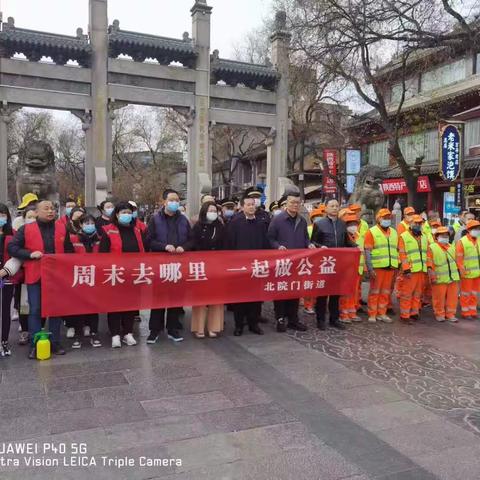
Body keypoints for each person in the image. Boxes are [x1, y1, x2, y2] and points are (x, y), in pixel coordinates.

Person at [8, 200, 71, 358]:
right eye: (46, 209)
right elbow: (12, 248)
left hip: (57, 277)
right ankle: (35, 344)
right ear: (36, 212)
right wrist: (30, 255)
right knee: (35, 310)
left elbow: (69, 250)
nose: (50, 211)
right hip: (35, 275)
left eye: (52, 208)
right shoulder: (25, 229)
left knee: (55, 310)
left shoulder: (62, 228)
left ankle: (55, 343)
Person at [146, 189, 191, 344]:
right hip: (160, 264)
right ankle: (154, 330)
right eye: (171, 200)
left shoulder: (183, 220)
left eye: (177, 200)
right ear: (164, 202)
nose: (175, 203)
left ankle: (172, 328)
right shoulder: (155, 219)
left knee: (175, 298)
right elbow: (149, 241)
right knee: (158, 298)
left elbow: (191, 240)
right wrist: (164, 246)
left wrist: (184, 247)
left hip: (178, 265)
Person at [99, 202, 145, 347]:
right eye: (123, 212)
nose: (127, 215)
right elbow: (102, 254)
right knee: (114, 305)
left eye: (129, 212)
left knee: (130, 304)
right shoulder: (108, 230)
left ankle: (128, 333)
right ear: (117, 214)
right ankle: (115, 335)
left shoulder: (137, 230)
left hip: (133, 273)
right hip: (115, 273)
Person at [268, 192, 312, 332]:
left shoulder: (302, 221)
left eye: (297, 203)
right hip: (282, 263)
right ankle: (280, 318)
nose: (295, 205)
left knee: (294, 290)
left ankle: (293, 319)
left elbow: (305, 238)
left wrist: (309, 244)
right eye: (292, 202)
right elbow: (270, 238)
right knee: (281, 290)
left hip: (298, 263)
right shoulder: (278, 219)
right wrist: (277, 246)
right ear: (286, 203)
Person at [227, 194, 270, 336]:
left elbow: (265, 244)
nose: (252, 207)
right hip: (240, 267)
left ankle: (254, 324)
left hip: (257, 266)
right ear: (242, 206)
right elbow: (230, 245)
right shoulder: (235, 223)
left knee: (256, 298)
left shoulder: (260, 223)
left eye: (253, 204)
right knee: (240, 298)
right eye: (248, 204)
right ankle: (239, 325)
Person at [311, 198, 354, 330]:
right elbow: (313, 242)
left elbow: (347, 241)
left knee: (336, 293)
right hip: (324, 264)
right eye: (332, 206)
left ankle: (334, 319)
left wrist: (357, 247)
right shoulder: (320, 224)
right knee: (323, 293)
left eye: (337, 206)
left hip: (338, 264)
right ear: (326, 208)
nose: (335, 208)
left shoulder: (342, 224)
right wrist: (321, 246)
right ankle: (320, 319)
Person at [186, 201, 226, 338]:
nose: (213, 213)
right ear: (204, 211)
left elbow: (226, 246)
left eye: (215, 210)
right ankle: (199, 328)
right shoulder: (197, 227)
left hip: (217, 266)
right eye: (210, 210)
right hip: (201, 267)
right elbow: (192, 244)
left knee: (216, 297)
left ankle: (214, 327)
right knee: (200, 298)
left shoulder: (220, 227)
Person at [67, 214, 102, 348]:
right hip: (79, 277)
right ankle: (78, 334)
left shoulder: (99, 239)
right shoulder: (73, 239)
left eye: (92, 223)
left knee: (94, 307)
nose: (89, 225)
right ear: (80, 225)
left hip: (95, 277)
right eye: (86, 223)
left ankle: (94, 333)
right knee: (78, 307)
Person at [364, 208, 399, 324]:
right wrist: (370, 268)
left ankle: (382, 313)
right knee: (375, 292)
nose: (387, 220)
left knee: (385, 292)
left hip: (390, 267)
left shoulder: (394, 232)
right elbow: (367, 251)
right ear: (378, 219)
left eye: (389, 218)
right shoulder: (372, 231)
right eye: (385, 218)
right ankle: (372, 314)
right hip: (377, 268)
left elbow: (397, 250)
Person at [398, 215, 428, 323]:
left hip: (421, 270)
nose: (418, 225)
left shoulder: (424, 237)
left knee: (417, 294)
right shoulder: (404, 236)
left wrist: (428, 267)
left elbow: (427, 253)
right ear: (410, 223)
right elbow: (402, 254)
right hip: (410, 271)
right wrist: (406, 269)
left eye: (420, 223)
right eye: (416, 223)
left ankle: (414, 313)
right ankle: (405, 315)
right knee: (407, 294)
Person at [427, 226, 460, 323]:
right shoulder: (432, 247)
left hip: (453, 277)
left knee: (453, 298)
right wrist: (432, 275)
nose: (445, 237)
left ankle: (450, 314)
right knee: (439, 298)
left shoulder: (451, 247)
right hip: (439, 277)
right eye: (442, 235)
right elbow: (429, 263)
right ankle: (439, 314)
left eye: (446, 235)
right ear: (437, 236)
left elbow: (456, 261)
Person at [339, 212, 364, 323]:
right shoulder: (342, 236)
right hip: (346, 270)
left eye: (354, 223)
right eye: (350, 224)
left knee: (354, 292)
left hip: (357, 269)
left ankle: (352, 312)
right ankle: (344, 314)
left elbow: (363, 252)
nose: (353, 226)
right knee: (345, 293)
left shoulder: (359, 236)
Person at [0, 204, 16, 357]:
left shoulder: (13, 234)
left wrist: (5, 271)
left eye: (2, 214)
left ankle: (4, 340)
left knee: (5, 311)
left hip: (6, 279)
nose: (1, 217)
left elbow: (17, 256)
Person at [456, 219, 480, 319]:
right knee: (465, 294)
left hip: (477, 273)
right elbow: (459, 259)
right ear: (469, 230)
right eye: (475, 229)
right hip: (467, 273)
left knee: (474, 293)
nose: (477, 230)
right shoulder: (462, 242)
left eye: (478, 228)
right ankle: (465, 312)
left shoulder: (479, 240)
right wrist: (462, 271)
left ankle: (473, 311)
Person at [303, 206, 325, 315]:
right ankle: (308, 305)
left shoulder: (325, 227)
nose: (318, 218)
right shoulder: (308, 229)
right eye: (316, 217)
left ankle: (318, 305)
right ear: (312, 218)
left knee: (320, 284)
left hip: (323, 261)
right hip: (311, 260)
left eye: (320, 216)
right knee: (310, 284)